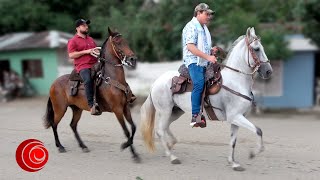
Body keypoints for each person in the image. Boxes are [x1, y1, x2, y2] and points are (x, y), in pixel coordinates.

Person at [182, 3, 217, 128]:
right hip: (193, 61)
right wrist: (208, 57)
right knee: (199, 83)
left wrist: (211, 51)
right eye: (206, 14)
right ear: (198, 13)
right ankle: (195, 116)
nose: (209, 17)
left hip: (203, 60)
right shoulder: (191, 26)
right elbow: (191, 47)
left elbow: (202, 46)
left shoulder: (203, 28)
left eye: (210, 15)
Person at [67, 18, 101, 115]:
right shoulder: (72, 41)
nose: (87, 27)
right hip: (83, 66)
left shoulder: (90, 39)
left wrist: (98, 51)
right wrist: (86, 51)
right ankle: (91, 106)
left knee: (110, 72)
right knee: (88, 80)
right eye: (84, 25)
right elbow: (71, 55)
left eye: (87, 25)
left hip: (95, 63)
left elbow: (94, 51)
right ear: (78, 28)